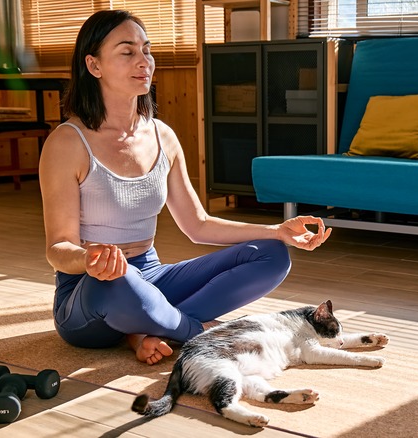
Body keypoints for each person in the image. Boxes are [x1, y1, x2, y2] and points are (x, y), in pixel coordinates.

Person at [38, 10, 331, 365]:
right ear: (94, 65)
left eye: (147, 50)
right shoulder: (67, 143)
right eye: (127, 51)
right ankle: (202, 333)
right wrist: (89, 259)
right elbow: (58, 247)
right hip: (90, 294)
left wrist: (276, 231)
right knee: (120, 281)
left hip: (151, 275)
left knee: (271, 254)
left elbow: (197, 225)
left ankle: (150, 331)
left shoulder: (163, 137)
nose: (143, 61)